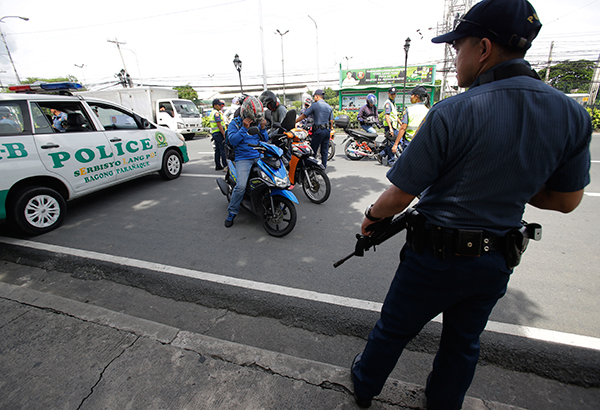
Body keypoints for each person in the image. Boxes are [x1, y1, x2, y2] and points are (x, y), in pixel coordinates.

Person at [350, 1, 592, 409]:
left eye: (456, 47)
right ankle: (444, 403)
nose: (454, 57)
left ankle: (364, 386)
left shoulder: (452, 111)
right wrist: (516, 183)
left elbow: (401, 194)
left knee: (393, 330)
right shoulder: (572, 113)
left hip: (433, 259)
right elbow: (567, 201)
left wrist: (372, 218)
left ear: (483, 48)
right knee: (463, 343)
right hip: (495, 259)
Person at [224, 96, 269, 228]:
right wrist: (244, 128)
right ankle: (232, 212)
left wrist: (263, 128)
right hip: (243, 158)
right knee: (241, 186)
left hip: (258, 155)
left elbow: (264, 139)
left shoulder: (256, 122)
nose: (254, 120)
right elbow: (233, 141)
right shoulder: (235, 123)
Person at [295, 89, 333, 168]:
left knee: (313, 151)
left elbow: (304, 115)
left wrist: (294, 122)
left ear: (317, 96)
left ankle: (311, 169)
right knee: (324, 151)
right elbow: (331, 120)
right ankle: (323, 168)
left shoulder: (315, 105)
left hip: (319, 130)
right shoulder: (328, 106)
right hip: (327, 130)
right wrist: (330, 129)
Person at [392, 86, 430, 153]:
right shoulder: (428, 110)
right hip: (423, 143)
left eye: (412, 95)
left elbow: (403, 128)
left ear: (416, 96)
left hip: (410, 143)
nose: (410, 97)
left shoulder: (409, 110)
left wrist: (395, 144)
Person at [381, 88, 400, 166]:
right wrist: (391, 128)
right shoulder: (388, 103)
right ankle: (390, 161)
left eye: (394, 94)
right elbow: (387, 116)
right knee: (392, 144)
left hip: (394, 126)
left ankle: (381, 154)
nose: (393, 95)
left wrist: (400, 122)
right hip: (390, 126)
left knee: (390, 143)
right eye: (392, 94)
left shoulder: (393, 103)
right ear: (388, 94)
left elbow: (395, 116)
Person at [208, 99, 227, 171]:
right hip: (219, 133)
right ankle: (225, 165)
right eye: (219, 105)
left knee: (217, 150)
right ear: (215, 105)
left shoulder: (212, 112)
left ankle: (218, 165)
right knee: (223, 150)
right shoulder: (216, 113)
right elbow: (219, 124)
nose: (220, 106)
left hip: (215, 133)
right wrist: (224, 134)